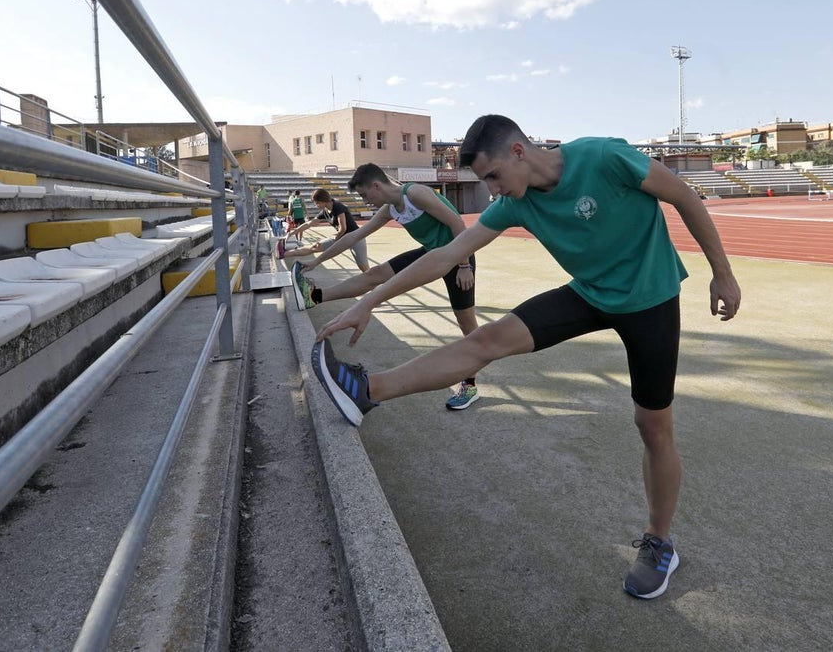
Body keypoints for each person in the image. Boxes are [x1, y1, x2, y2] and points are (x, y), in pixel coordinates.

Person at [311, 114, 742, 600]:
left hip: (651, 300)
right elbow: (445, 256)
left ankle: (660, 542)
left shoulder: (603, 156)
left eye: (493, 176)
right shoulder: (514, 202)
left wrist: (721, 273)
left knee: (653, 426)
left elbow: (682, 194)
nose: (492, 190)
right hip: (590, 294)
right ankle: (366, 391)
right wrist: (367, 300)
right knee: (486, 341)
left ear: (518, 152)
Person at [292, 163, 481, 410]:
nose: (365, 200)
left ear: (377, 186)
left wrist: (465, 265)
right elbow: (352, 237)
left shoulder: (416, 194)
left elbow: (457, 224)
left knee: (466, 322)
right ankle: (314, 296)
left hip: (457, 256)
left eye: (364, 194)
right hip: (430, 255)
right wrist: (317, 261)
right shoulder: (389, 209)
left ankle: (470, 383)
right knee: (376, 274)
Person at [280, 188, 369, 273]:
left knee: (364, 268)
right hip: (341, 237)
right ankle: (284, 254)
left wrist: (336, 237)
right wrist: (293, 232)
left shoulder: (338, 207)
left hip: (355, 238)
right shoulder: (325, 212)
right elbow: (309, 223)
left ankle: (377, 284)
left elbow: (343, 228)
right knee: (315, 246)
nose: (316, 205)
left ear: (322, 200)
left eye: (317, 203)